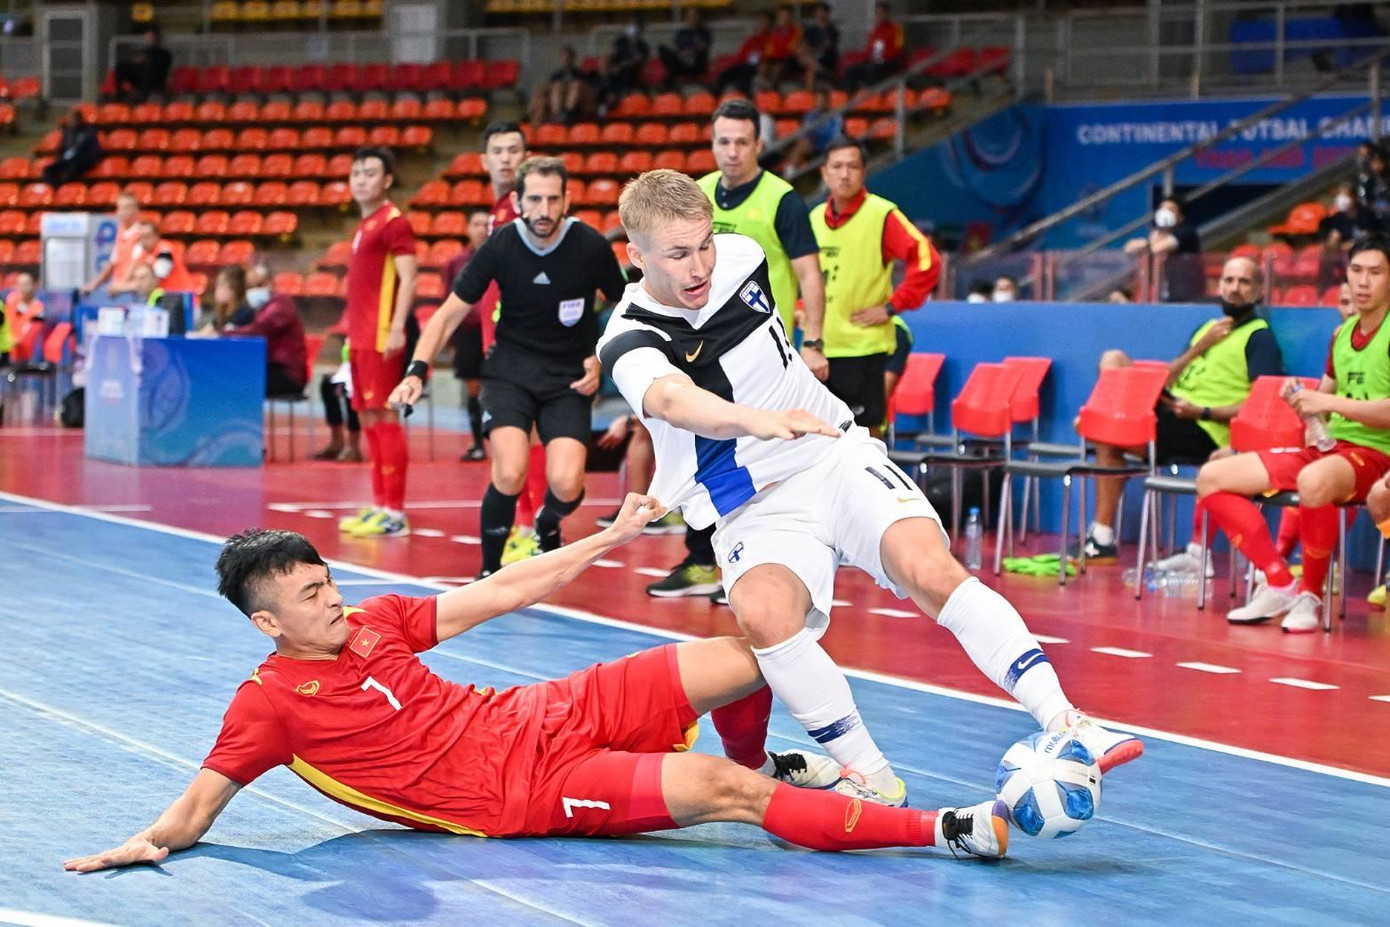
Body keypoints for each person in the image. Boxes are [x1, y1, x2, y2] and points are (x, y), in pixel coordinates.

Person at [61, 502, 1009, 875]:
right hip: (522, 793)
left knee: (759, 647)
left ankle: (764, 745)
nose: (335, 597)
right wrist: (143, 845)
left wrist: (610, 534)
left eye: (330, 579)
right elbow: (198, 806)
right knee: (734, 800)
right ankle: (949, 828)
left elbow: (502, 589)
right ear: (270, 622)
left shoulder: (378, 619)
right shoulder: (265, 704)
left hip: (543, 710)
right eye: (312, 595)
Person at [598, 169, 1142, 808]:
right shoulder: (628, 338)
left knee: (929, 569)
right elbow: (672, 399)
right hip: (747, 501)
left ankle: (1071, 724)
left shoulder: (741, 258)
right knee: (764, 619)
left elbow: (798, 284)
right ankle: (871, 777)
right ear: (636, 257)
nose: (700, 267)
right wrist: (758, 421)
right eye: (678, 254)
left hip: (831, 451)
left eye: (705, 244)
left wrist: (815, 347)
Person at [391, 157, 628, 577]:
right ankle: (487, 571)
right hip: (509, 372)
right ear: (517, 201)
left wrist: (601, 355)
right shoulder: (500, 245)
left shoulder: (590, 245)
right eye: (534, 199)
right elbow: (446, 315)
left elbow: (627, 305)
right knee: (510, 469)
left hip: (568, 376)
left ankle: (547, 522)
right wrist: (416, 371)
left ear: (567, 200)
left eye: (553, 199)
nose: (543, 209)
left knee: (568, 483)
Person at [647, 98, 826, 601]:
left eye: (741, 142)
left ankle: (767, 567)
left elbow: (809, 274)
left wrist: (813, 341)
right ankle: (704, 561)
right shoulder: (697, 194)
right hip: (699, 354)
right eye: (722, 141)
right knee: (700, 456)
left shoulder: (781, 200)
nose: (731, 151)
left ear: (758, 145)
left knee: (765, 462)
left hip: (763, 360)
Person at [1194, 236, 1390, 633]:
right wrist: (1302, 401)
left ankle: (1311, 596)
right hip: (1331, 450)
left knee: (1312, 481)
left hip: (1377, 455)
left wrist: (1328, 405)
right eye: (1356, 271)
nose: (1364, 282)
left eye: (1375, 272)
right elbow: (1324, 400)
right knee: (1212, 478)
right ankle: (1280, 582)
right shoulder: (1342, 335)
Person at [1081, 256, 1282, 564]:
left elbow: (1258, 405)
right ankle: (1101, 420)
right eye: (1228, 281)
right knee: (1114, 359)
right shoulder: (1206, 329)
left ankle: (1102, 534)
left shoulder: (1260, 336)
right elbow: (1168, 377)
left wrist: (1202, 412)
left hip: (1204, 427)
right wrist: (1200, 347)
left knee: (1109, 437)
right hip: (1172, 407)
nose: (1234, 289)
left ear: (1258, 290)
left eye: (1243, 282)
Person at [812, 138, 940, 436]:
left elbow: (926, 259)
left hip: (863, 348)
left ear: (864, 172)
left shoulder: (882, 215)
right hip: (819, 349)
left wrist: (892, 306)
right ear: (824, 173)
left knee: (865, 437)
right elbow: (804, 275)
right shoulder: (813, 219)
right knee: (819, 437)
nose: (845, 174)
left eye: (853, 166)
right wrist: (802, 308)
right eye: (837, 166)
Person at [335, 147, 418, 540]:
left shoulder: (394, 223)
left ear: (387, 180)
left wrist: (398, 327)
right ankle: (380, 504)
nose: (361, 179)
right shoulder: (364, 225)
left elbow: (410, 278)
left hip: (383, 335)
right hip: (361, 337)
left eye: (370, 173)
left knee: (385, 418)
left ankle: (395, 512)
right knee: (368, 419)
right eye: (356, 173)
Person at [477, 122, 548, 562]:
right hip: (501, 340)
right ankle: (527, 524)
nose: (505, 158)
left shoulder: (526, 212)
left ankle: (533, 526)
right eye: (497, 150)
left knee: (532, 431)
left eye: (513, 150)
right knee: (513, 435)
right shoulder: (499, 209)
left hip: (525, 339)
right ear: (484, 160)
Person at [446, 207, 493, 462]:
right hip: (467, 334)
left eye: (486, 224)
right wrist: (452, 340)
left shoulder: (502, 258)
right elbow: (448, 302)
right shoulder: (455, 263)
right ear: (467, 229)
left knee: (498, 388)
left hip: (499, 332)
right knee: (474, 389)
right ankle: (478, 443)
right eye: (476, 224)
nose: (482, 229)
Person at [221, 264, 309, 399]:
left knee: (234, 382)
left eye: (258, 284)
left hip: (288, 374)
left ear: (269, 283)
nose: (253, 290)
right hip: (271, 368)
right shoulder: (263, 307)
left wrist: (225, 334)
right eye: (250, 287)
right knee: (229, 375)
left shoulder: (281, 305)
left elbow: (258, 330)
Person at [1123, 197, 1203, 302]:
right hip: (1163, 293)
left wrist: (1148, 244)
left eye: (1170, 210)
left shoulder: (1186, 232)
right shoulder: (1157, 234)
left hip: (1186, 293)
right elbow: (1128, 248)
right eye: (1162, 209)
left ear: (1181, 217)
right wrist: (1148, 242)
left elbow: (1158, 248)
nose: (1165, 213)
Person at [313, 331, 363, 463]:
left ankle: (354, 446)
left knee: (350, 389)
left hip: (371, 374)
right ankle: (337, 441)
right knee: (328, 385)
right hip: (352, 369)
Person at [83, 190, 142, 296]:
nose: (122, 212)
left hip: (132, 291)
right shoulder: (120, 231)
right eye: (119, 208)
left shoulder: (141, 233)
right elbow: (112, 262)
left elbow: (135, 263)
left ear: (136, 211)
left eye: (127, 207)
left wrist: (122, 285)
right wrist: (94, 284)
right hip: (119, 288)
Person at [843, 2, 906, 91]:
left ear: (887, 13)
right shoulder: (874, 31)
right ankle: (852, 95)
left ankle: (874, 97)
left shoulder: (896, 28)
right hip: (874, 62)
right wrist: (868, 59)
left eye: (882, 13)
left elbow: (898, 48)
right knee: (851, 71)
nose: (879, 16)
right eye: (877, 13)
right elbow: (868, 49)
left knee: (873, 70)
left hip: (889, 61)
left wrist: (881, 59)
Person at [596, 19, 649, 116]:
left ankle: (612, 99)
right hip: (614, 73)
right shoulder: (620, 42)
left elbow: (638, 61)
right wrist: (608, 62)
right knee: (605, 74)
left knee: (617, 75)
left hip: (631, 73)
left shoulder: (642, 46)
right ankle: (605, 101)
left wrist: (620, 67)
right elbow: (612, 53)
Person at [527, 46, 591, 126]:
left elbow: (584, 91)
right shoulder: (556, 75)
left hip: (574, 103)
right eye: (564, 57)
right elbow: (549, 89)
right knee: (541, 93)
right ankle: (554, 115)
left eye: (568, 57)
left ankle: (565, 114)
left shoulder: (580, 74)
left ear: (573, 58)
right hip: (557, 101)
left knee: (562, 86)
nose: (566, 59)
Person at [783, 88, 843, 172]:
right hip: (813, 146)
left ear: (827, 101)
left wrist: (815, 136)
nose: (819, 102)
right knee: (798, 145)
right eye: (818, 99)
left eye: (821, 99)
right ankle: (789, 173)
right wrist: (810, 139)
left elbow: (833, 135)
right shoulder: (811, 115)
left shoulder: (835, 117)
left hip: (828, 146)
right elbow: (805, 132)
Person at [716, 11, 773, 98]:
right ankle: (714, 99)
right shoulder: (751, 39)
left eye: (765, 21)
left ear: (769, 23)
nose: (762, 24)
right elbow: (741, 54)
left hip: (757, 65)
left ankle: (745, 97)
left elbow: (769, 54)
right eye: (760, 21)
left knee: (745, 74)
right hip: (743, 64)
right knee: (724, 74)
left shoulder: (770, 38)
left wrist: (763, 62)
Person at [41, 109, 102, 188]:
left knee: (70, 171)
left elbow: (95, 151)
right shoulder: (68, 132)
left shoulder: (89, 133)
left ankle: (63, 189)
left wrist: (86, 160)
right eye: (70, 119)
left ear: (79, 119)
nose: (71, 121)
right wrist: (61, 158)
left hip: (81, 162)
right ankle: (55, 189)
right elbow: (61, 148)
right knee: (48, 170)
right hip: (67, 160)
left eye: (73, 119)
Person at [657, 8, 711, 89]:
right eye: (689, 17)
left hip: (695, 62)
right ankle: (671, 81)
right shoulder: (681, 33)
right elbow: (677, 47)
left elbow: (704, 48)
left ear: (698, 17)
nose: (692, 19)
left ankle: (669, 82)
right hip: (681, 60)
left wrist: (694, 48)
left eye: (694, 16)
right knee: (662, 48)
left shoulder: (703, 32)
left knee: (674, 66)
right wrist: (681, 54)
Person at [0, 270, 42, 364]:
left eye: (27, 284)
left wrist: (18, 341)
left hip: (26, 354)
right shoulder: (10, 300)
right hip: (7, 350)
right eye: (21, 284)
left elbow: (32, 332)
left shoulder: (38, 308)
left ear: (34, 285)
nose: (24, 287)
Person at [798, 3, 840, 90]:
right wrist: (808, 49)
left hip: (826, 57)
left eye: (822, 12)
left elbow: (826, 46)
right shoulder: (810, 30)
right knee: (803, 56)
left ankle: (808, 95)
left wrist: (811, 49)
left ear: (827, 14)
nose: (820, 14)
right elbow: (804, 46)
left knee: (810, 70)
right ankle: (822, 71)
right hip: (811, 57)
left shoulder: (832, 31)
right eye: (817, 12)